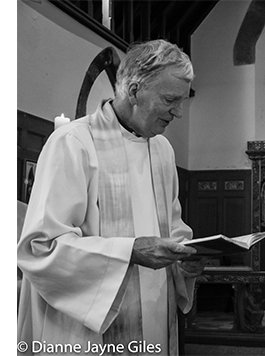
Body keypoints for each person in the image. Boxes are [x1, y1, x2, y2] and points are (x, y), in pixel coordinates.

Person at [17, 39, 206, 356]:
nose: (179, 112)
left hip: (155, 318)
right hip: (88, 329)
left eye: (183, 100)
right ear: (134, 92)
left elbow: (173, 227)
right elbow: (41, 248)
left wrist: (186, 259)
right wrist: (129, 251)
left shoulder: (161, 149)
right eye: (171, 99)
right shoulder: (72, 142)